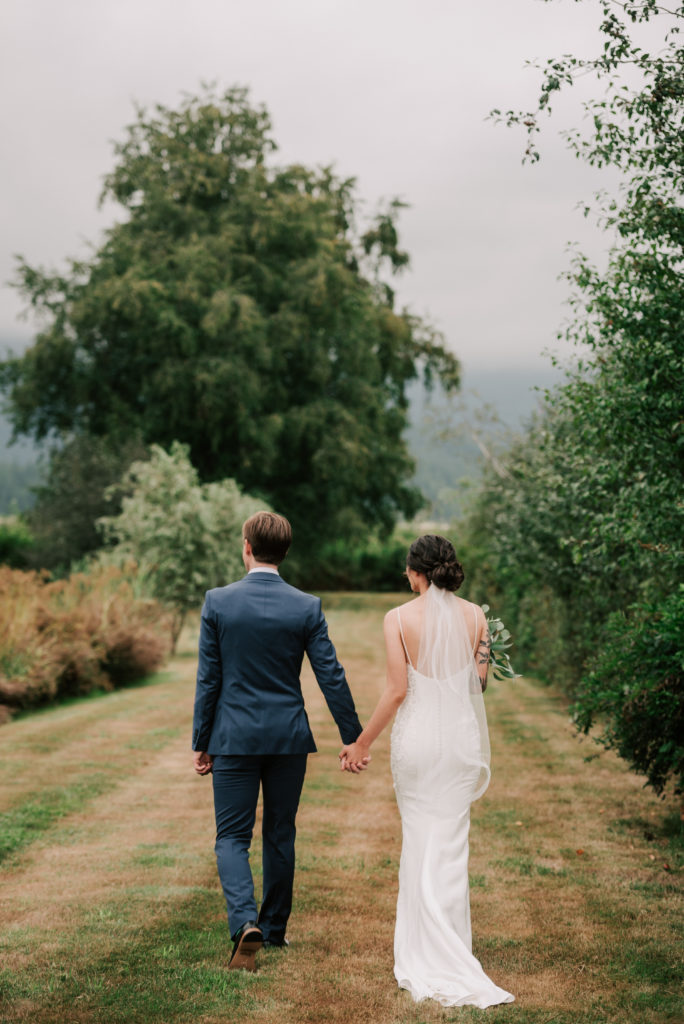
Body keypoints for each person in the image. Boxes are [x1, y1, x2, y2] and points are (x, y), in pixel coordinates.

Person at [339, 534, 514, 1008]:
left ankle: (424, 950)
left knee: (420, 839)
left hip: (416, 743)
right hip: (459, 740)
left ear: (417, 573)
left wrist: (361, 743)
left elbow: (397, 690)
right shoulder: (477, 616)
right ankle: (453, 947)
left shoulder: (397, 618)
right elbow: (477, 684)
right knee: (452, 843)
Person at [192, 510, 365, 972]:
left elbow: (209, 679)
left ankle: (244, 923)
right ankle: (273, 930)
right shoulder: (306, 606)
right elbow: (330, 674)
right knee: (280, 833)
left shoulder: (218, 602)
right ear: (284, 552)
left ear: (247, 547)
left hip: (232, 737)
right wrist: (354, 736)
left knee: (231, 836)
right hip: (289, 738)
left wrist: (201, 740)